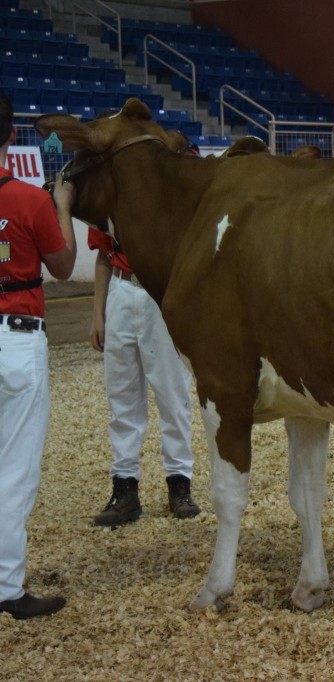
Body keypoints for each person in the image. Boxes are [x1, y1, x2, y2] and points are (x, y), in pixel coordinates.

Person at [88, 120, 200, 527]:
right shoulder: (113, 195)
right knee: (122, 395)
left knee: (173, 392)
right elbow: (103, 255)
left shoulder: (175, 194)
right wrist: (98, 312)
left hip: (160, 292)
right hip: (121, 289)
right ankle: (125, 486)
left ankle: (179, 482)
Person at [0, 90, 76, 619]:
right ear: (9, 135)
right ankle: (5, 587)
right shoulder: (29, 200)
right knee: (14, 471)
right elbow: (66, 264)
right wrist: (63, 208)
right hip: (17, 335)